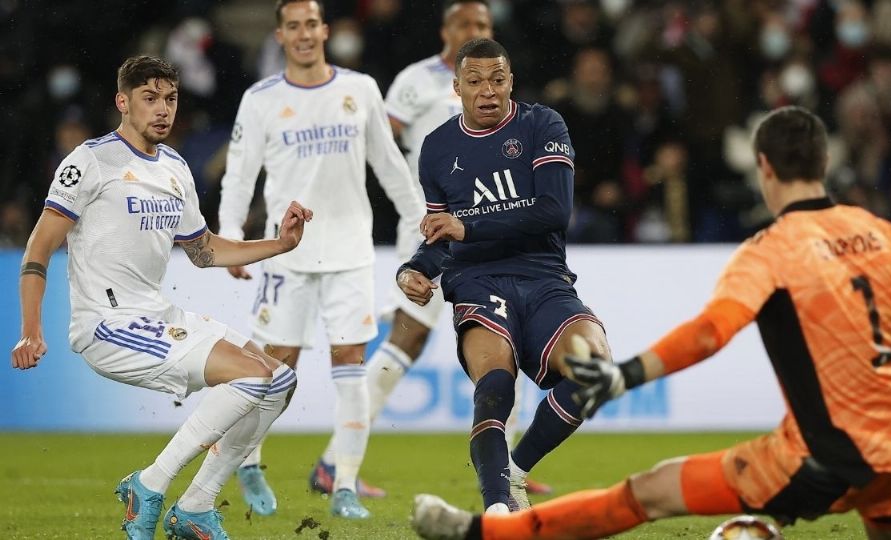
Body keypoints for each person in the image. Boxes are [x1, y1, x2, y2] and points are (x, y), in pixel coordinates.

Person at [410, 106, 891, 540]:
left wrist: (627, 374)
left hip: (823, 456)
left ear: (764, 168)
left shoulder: (770, 251)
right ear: (823, 163)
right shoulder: (886, 233)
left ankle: (484, 531)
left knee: (644, 494)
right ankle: (506, 486)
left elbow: (709, 333)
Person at [11, 55, 309, 540]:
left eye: (170, 98)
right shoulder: (90, 161)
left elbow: (204, 250)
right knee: (253, 377)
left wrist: (280, 242)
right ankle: (150, 484)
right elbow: (38, 247)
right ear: (123, 103)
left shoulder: (175, 167)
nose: (162, 109)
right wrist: (31, 329)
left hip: (157, 314)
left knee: (278, 380)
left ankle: (195, 506)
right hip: (107, 325)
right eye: (150, 98)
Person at [217, 0, 423, 519]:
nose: (304, 34)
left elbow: (391, 166)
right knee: (274, 365)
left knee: (350, 361)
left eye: (312, 24)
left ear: (325, 30)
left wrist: (421, 225)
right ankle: (249, 462)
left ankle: (346, 484)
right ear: (280, 36)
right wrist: (230, 238)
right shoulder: (261, 99)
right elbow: (240, 175)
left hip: (351, 250)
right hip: (287, 253)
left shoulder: (360, 90)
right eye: (294, 27)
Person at [397, 38, 611, 514]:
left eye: (497, 79)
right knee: (495, 384)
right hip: (477, 280)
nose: (487, 91)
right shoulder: (436, 149)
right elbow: (441, 238)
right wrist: (414, 269)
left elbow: (555, 212)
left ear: (510, 81)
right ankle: (497, 507)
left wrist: (468, 225)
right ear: (457, 87)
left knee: (595, 372)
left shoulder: (543, 124)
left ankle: (513, 473)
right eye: (474, 82)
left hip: (543, 275)